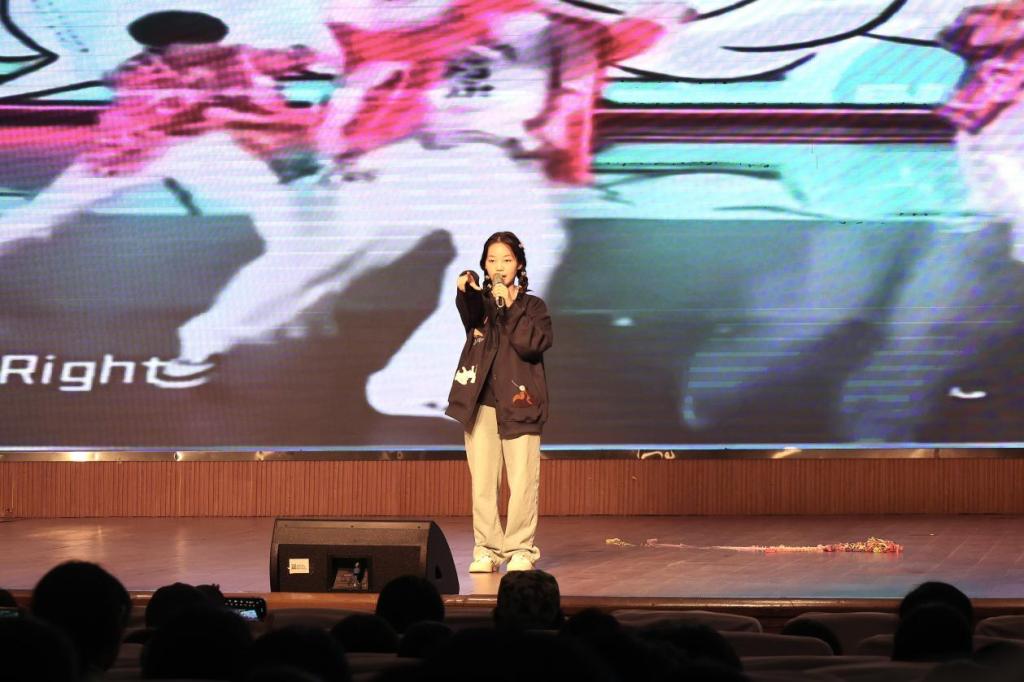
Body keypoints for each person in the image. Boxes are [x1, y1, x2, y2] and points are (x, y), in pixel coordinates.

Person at [0, 10, 330, 387]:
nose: (207, 47)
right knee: (42, 217)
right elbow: (166, 109)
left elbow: (293, 58)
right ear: (169, 45)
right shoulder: (140, 74)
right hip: (127, 154)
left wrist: (323, 56)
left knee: (280, 211)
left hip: (201, 149)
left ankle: (284, 293)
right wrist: (223, 99)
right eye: (196, 42)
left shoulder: (237, 57)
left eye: (209, 41)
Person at [445, 231, 552, 572]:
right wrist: (466, 288)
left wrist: (512, 307)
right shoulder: (483, 307)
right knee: (483, 482)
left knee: (522, 482)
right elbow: (470, 313)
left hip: (521, 404)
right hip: (481, 403)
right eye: (492, 260)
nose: (499, 267)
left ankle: (520, 549)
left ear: (519, 264)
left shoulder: (533, 307)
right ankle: (487, 550)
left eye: (506, 260)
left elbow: (533, 345)